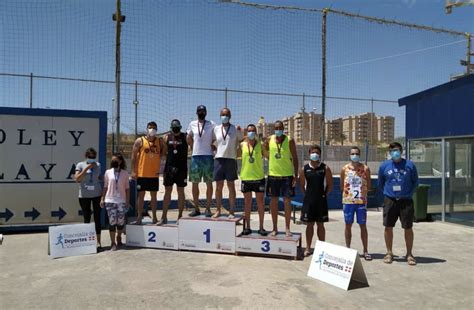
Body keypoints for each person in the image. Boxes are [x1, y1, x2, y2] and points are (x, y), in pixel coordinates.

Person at [378, 142, 419, 266]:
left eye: (397, 150)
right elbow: (380, 183)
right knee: (388, 226)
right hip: (390, 200)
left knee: (408, 227)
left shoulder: (410, 165)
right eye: (392, 150)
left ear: (401, 151)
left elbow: (415, 182)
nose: (395, 152)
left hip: (406, 200)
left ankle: (409, 254)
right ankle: (389, 253)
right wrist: (388, 194)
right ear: (389, 153)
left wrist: (408, 194)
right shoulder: (384, 166)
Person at [263, 120, 299, 237]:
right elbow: (264, 151)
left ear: (283, 129)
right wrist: (270, 158)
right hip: (273, 176)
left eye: (280, 128)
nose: (278, 130)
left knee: (287, 202)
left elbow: (295, 158)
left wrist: (296, 175)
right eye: (276, 128)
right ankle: (274, 228)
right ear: (274, 129)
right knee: (273, 202)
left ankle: (287, 228)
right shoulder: (269, 139)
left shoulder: (289, 140)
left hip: (287, 176)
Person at [299, 145, 333, 256]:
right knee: (309, 225)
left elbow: (330, 185)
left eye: (317, 153)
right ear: (309, 154)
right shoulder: (304, 169)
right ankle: (308, 248)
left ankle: (321, 249)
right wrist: (308, 196)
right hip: (309, 202)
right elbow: (302, 185)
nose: (315, 154)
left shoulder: (325, 168)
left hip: (321, 202)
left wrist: (323, 195)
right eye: (313, 152)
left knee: (321, 225)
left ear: (320, 155)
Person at [340, 146, 372, 261]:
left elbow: (369, 184)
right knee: (348, 225)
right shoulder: (345, 169)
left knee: (363, 225)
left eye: (357, 153)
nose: (355, 155)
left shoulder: (365, 168)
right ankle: (348, 248)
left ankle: (366, 251)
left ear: (360, 154)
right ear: (349, 154)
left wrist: (363, 193)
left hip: (361, 201)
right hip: (348, 201)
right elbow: (341, 185)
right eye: (353, 153)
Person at [131, 121, 164, 224]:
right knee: (141, 196)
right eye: (150, 127)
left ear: (157, 130)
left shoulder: (159, 141)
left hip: (154, 174)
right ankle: (139, 217)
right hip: (142, 173)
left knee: (154, 196)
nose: (152, 129)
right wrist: (133, 171)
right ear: (147, 129)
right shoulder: (140, 140)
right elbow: (133, 156)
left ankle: (154, 217)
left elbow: (164, 153)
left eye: (154, 128)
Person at [212, 108, 243, 218]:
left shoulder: (235, 129)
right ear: (220, 116)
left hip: (231, 160)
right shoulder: (216, 129)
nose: (224, 116)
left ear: (230, 116)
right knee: (218, 187)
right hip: (219, 159)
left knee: (231, 186)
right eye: (222, 114)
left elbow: (242, 141)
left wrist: (238, 153)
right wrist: (214, 150)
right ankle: (218, 210)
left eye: (226, 114)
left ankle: (232, 211)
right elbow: (212, 142)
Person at [187, 105, 216, 217]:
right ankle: (196, 208)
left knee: (209, 183)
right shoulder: (192, 124)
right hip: (195, 157)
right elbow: (188, 136)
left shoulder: (211, 124)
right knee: (195, 183)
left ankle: (208, 208)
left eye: (203, 111)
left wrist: (213, 144)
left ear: (206, 112)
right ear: (196, 112)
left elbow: (217, 135)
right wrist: (191, 145)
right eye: (199, 111)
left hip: (208, 157)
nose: (201, 112)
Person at [158, 119, 188, 225]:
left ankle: (180, 216)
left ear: (180, 127)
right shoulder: (167, 137)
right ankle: (163, 216)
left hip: (182, 168)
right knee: (167, 191)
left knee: (181, 191)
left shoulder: (186, 136)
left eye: (177, 127)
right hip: (170, 168)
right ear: (171, 128)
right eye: (174, 127)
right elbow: (164, 152)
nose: (176, 129)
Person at [240, 124, 268, 235]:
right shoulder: (242, 145)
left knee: (260, 203)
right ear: (247, 133)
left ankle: (261, 227)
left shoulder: (260, 145)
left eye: (253, 131)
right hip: (246, 177)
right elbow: (236, 154)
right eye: (249, 131)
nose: (251, 133)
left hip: (259, 178)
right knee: (247, 203)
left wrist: (266, 146)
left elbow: (267, 156)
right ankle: (247, 227)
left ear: (256, 133)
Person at [74, 147, 103, 251]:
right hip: (84, 195)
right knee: (86, 217)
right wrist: (86, 169)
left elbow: (98, 177)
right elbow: (77, 179)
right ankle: (87, 242)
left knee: (97, 218)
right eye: (90, 157)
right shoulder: (80, 165)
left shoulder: (98, 165)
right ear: (86, 156)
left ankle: (98, 242)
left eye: (93, 157)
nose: (92, 159)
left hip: (96, 195)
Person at [100, 153, 130, 251]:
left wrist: (127, 201)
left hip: (121, 200)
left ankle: (119, 237)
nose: (113, 162)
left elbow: (127, 189)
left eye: (115, 160)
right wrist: (102, 198)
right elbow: (105, 186)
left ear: (120, 161)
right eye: (112, 160)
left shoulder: (125, 173)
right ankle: (113, 242)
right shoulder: (108, 172)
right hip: (110, 200)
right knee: (112, 222)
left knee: (121, 222)